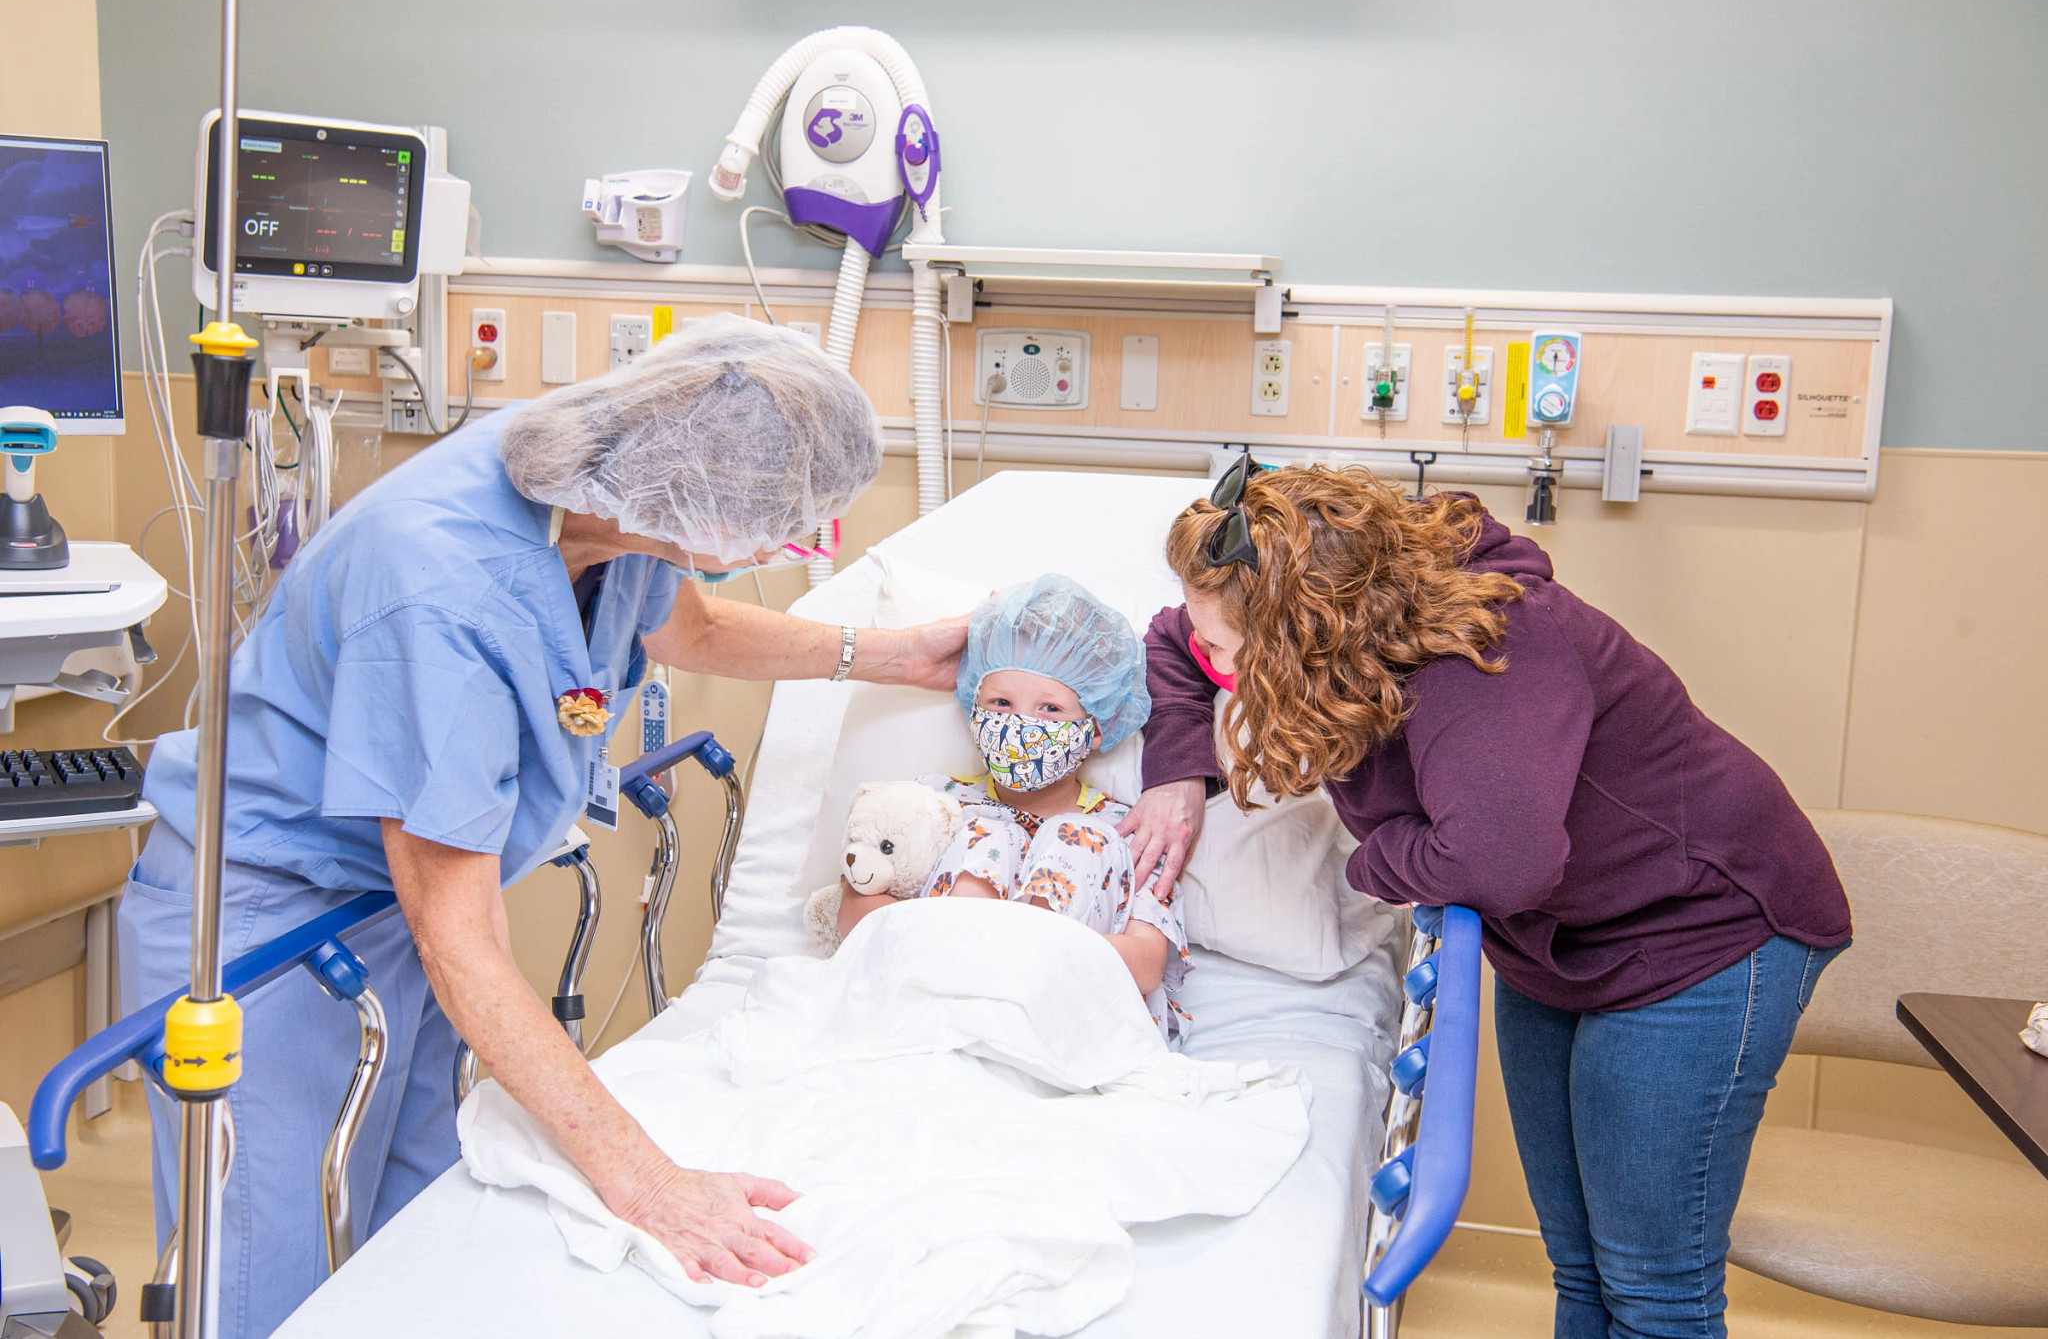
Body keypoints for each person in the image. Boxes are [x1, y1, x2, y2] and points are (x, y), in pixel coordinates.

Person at [119, 314, 966, 1339]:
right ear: (702, 509)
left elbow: (684, 626)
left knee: (415, 1232)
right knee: (268, 1275)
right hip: (268, 926)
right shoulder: (441, 586)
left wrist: (891, 654)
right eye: (783, 523)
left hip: (391, 911)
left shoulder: (607, 486)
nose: (788, 539)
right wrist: (651, 1182)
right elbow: (460, 934)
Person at [1119, 456, 1852, 1339]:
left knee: (1654, 1290)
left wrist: (1372, 858)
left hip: (1703, 931)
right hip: (1557, 937)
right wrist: (1179, 769)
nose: (1212, 662)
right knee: (1582, 1268)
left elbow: (1499, 862)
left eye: (1231, 652)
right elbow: (1171, 640)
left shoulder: (1487, 656)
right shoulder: (1328, 623)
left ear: (1304, 636)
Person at [836, 575, 1192, 1045]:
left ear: (1097, 726)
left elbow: (1146, 965)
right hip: (939, 1006)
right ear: (973, 706)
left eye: (1050, 709)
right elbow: (855, 909)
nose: (1020, 723)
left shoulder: (1130, 830)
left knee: (1078, 837)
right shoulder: (935, 805)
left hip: (1069, 1019)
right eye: (1001, 703)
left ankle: (1013, 1020)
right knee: (988, 836)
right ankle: (967, 1019)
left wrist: (1013, 948)